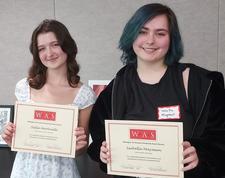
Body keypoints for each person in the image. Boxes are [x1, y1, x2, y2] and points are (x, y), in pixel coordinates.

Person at [87, 3, 225, 178]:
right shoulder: (117, 87)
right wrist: (103, 152)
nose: (150, 40)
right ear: (131, 35)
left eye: (160, 33)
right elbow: (100, 136)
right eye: (142, 31)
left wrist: (202, 156)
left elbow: (220, 140)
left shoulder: (198, 82)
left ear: (171, 39)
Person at [1, 19, 96, 178]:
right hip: (24, 171)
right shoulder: (23, 88)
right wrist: (11, 138)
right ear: (37, 54)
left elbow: (81, 149)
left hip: (62, 172)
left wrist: (79, 145)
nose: (49, 53)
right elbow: (20, 141)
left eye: (55, 44)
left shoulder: (84, 95)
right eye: (41, 48)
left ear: (67, 46)